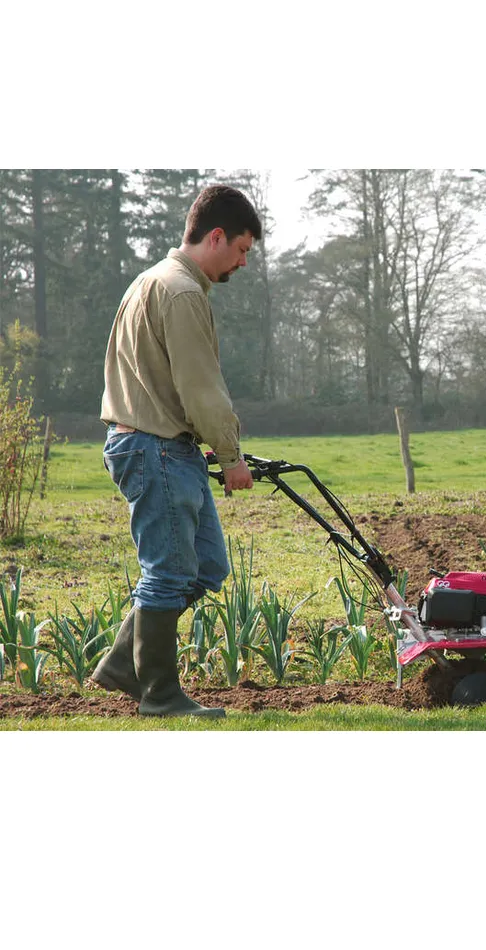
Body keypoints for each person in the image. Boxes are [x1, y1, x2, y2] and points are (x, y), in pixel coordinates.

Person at [91, 184, 261, 718]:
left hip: (158, 445)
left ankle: (125, 663)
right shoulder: (183, 292)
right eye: (241, 250)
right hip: (156, 448)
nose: (242, 262)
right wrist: (230, 455)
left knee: (207, 566)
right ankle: (161, 696)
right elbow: (201, 387)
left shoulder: (149, 281)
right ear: (217, 236)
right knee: (167, 572)